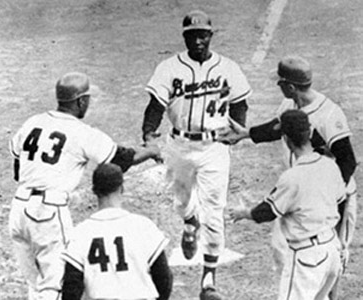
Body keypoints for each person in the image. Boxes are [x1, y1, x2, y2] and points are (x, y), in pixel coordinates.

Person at [8, 72, 162, 300]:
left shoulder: (33, 122)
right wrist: (151, 150)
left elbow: (17, 169)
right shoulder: (81, 132)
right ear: (81, 101)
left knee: (35, 285)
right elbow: (120, 159)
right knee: (56, 284)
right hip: (47, 212)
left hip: (18, 209)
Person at [217, 56, 357, 298]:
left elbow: (347, 161)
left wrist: (325, 198)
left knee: (333, 257)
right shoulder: (290, 107)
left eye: (280, 82)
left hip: (333, 193)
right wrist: (247, 134)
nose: (277, 86)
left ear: (290, 86)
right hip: (305, 191)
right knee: (302, 254)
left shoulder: (328, 114)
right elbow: (278, 127)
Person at [141, 9, 252, 300]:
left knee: (215, 210)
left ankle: (209, 280)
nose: (198, 41)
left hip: (214, 146)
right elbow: (155, 104)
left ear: (210, 36)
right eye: (192, 36)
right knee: (181, 202)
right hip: (179, 145)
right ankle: (191, 223)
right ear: (185, 37)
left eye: (202, 35)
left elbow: (240, 101)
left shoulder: (228, 67)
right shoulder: (168, 67)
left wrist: (237, 131)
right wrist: (149, 133)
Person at [228, 109, 345, 300]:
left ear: (286, 139)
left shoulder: (292, 177)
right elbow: (340, 201)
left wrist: (244, 213)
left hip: (308, 257)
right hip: (332, 250)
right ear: (309, 133)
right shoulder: (329, 165)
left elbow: (267, 212)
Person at [61, 163, 173, 300]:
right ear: (122, 188)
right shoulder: (143, 226)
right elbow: (164, 280)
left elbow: (71, 288)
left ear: (94, 191)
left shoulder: (81, 233)